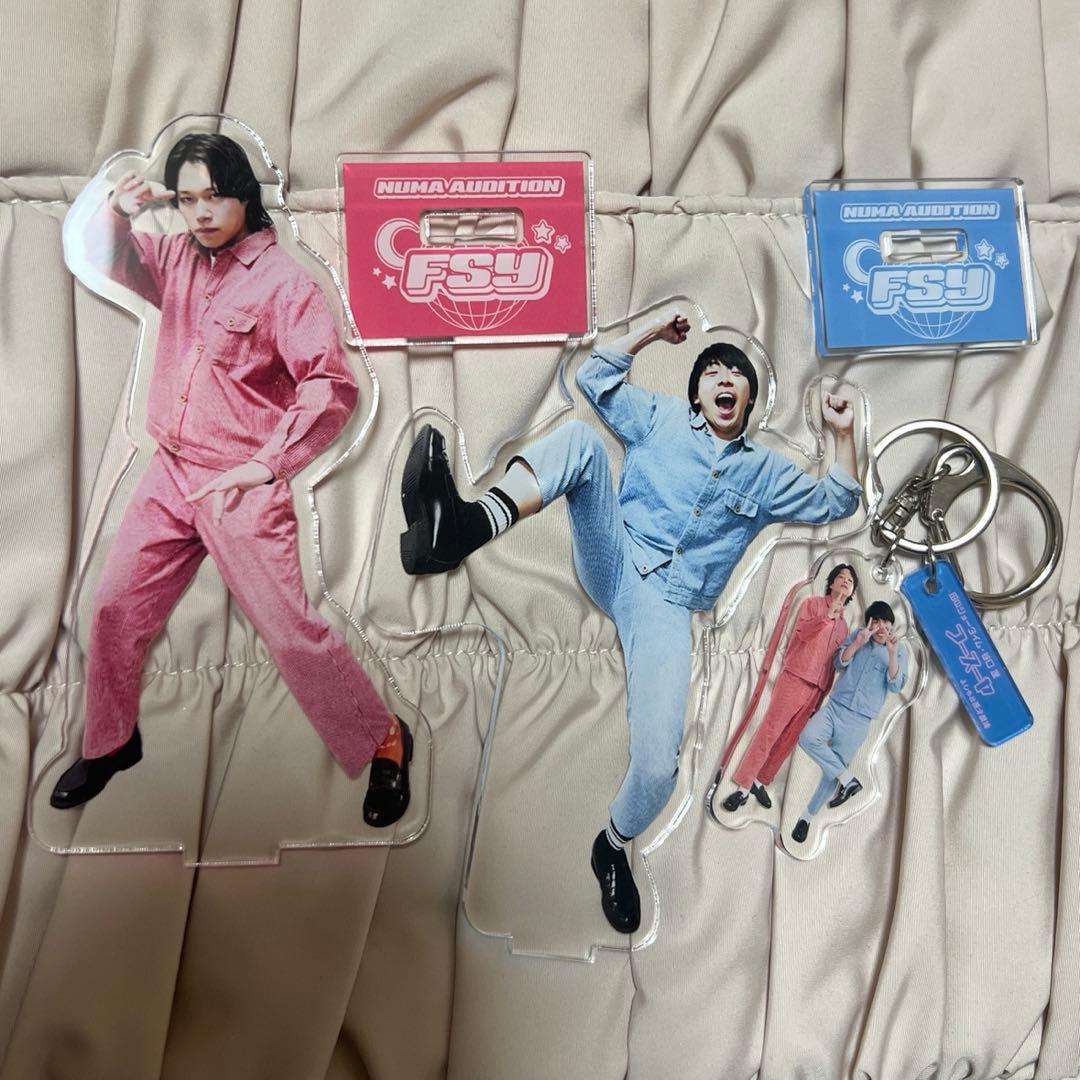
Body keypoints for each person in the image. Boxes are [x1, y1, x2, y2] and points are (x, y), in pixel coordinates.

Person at [398, 313, 861, 933]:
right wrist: (649, 334)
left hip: (667, 606)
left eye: (736, 375)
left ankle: (611, 847)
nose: (725, 379)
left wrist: (843, 433)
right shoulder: (661, 417)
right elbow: (593, 379)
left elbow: (838, 499)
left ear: (750, 398)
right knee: (583, 444)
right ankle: (462, 528)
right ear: (696, 393)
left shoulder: (766, 472)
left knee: (657, 769)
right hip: (615, 555)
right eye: (712, 372)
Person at [51, 133, 411, 828]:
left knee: (289, 632)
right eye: (187, 200)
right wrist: (116, 210)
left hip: (241, 482)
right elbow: (102, 258)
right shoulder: (175, 260)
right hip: (172, 471)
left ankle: (383, 739)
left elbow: (331, 386)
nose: (201, 213)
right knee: (114, 606)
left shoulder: (286, 286)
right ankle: (111, 741)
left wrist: (266, 464)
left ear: (243, 192)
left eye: (214, 196)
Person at [721, 563, 857, 812]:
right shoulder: (813, 604)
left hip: (817, 690)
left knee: (789, 739)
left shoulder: (844, 627)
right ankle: (742, 787)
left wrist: (822, 696)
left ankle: (760, 781)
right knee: (770, 731)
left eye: (850, 581)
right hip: (795, 677)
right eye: (841, 577)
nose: (846, 581)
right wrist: (827, 617)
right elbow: (802, 634)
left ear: (852, 591)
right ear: (831, 583)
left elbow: (832, 665)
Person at [790, 600, 909, 844]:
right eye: (876, 621)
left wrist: (892, 654)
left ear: (891, 625)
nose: (880, 627)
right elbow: (838, 663)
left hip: (860, 720)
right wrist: (857, 643)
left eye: (885, 622)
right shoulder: (858, 636)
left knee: (831, 772)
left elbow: (896, 686)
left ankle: (806, 819)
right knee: (807, 737)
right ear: (869, 623)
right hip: (836, 705)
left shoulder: (899, 651)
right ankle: (848, 780)